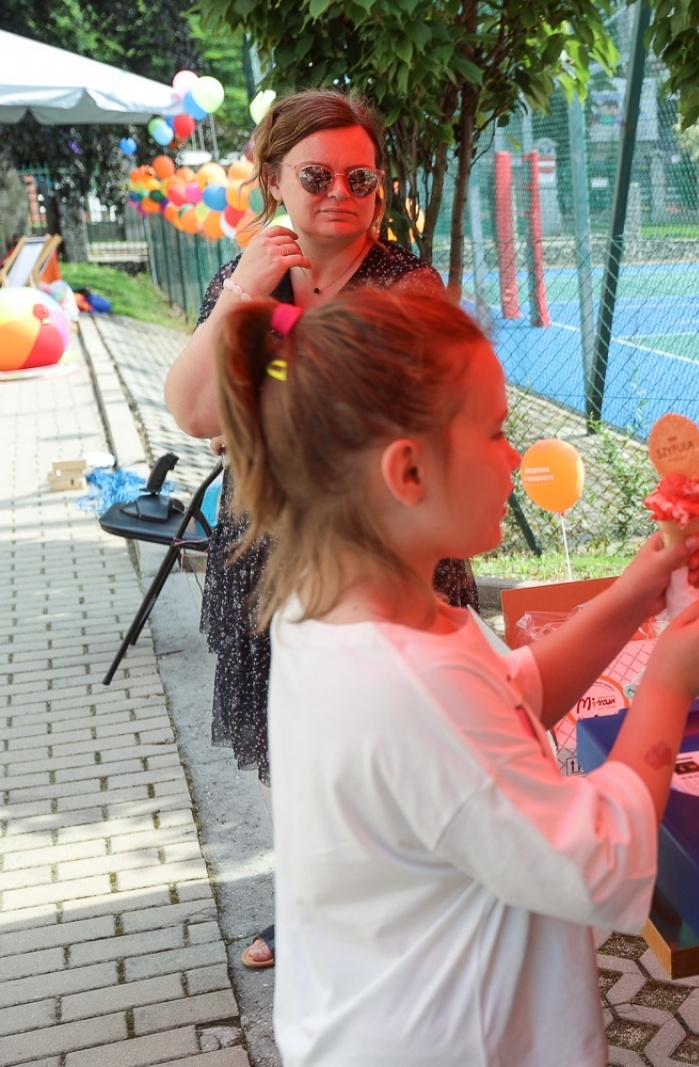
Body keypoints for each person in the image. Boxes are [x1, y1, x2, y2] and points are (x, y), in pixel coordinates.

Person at [213, 288, 699, 1065]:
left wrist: (635, 591)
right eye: (496, 432)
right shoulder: (407, 681)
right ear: (408, 471)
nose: (515, 457)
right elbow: (596, 862)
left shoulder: (342, 612)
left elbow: (511, 692)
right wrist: (669, 682)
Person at [163, 89, 469, 969]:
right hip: (265, 555)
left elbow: (358, 418)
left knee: (384, 745)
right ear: (272, 178)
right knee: (284, 747)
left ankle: (401, 909)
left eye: (359, 176)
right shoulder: (248, 273)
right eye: (316, 174)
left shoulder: (404, 283)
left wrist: (260, 390)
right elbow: (192, 412)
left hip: (377, 562)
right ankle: (304, 909)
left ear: (379, 189)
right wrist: (244, 300)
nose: (340, 191)